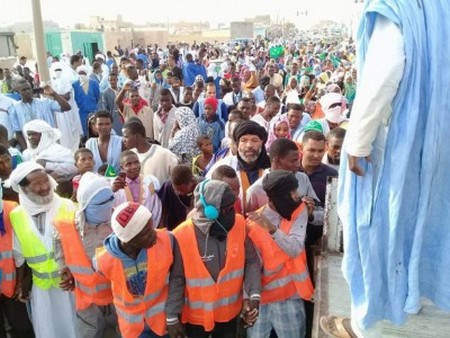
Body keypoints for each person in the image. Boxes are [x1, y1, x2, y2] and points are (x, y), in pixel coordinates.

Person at [321, 2, 450, 336]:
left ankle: (368, 324)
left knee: (378, 229)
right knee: (429, 223)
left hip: (399, 145)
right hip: (439, 139)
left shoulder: (392, 6)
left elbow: (386, 68)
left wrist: (359, 141)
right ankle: (413, 297)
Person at [167, 179, 261, 338]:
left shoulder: (238, 224)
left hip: (229, 315)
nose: (233, 211)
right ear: (210, 211)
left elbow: (251, 261)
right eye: (227, 209)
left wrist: (253, 295)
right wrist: (172, 317)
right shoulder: (180, 235)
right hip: (195, 320)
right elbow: (177, 278)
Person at [8, 162, 78, 338]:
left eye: (45, 181)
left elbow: (80, 246)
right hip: (41, 288)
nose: (44, 187)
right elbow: (19, 255)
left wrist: (74, 272)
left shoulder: (67, 206)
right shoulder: (16, 215)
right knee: (48, 330)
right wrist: (22, 284)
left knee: (76, 328)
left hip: (70, 283)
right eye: (36, 184)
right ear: (23, 189)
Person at [246, 170, 314, 338]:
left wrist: (271, 228)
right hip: (261, 299)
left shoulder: (300, 211)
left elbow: (295, 248)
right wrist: (248, 299)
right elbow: (250, 267)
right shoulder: (252, 225)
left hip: (290, 297)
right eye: (292, 192)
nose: (297, 196)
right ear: (275, 197)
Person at [54, 172, 119, 338]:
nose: (107, 205)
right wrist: (63, 268)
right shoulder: (68, 227)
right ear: (84, 204)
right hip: (88, 301)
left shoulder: (120, 222)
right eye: (100, 203)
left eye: (110, 199)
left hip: (119, 299)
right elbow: (58, 244)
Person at [95, 202, 173, 338]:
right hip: (134, 329)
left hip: (163, 323)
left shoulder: (167, 240)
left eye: (152, 228)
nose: (154, 234)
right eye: (146, 233)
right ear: (129, 239)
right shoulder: (103, 261)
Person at [207, 120, 271, 213]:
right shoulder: (224, 165)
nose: (249, 145)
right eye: (243, 140)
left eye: (254, 140)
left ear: (262, 143)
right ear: (237, 144)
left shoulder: (272, 166)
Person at [246, 138, 318, 214]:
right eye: (293, 161)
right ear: (277, 161)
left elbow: (320, 211)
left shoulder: (303, 178)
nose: (298, 165)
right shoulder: (256, 190)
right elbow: (249, 221)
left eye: (298, 160)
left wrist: (310, 214)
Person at [0, 184, 34, 338]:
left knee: (22, 326)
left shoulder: (12, 209)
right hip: (12, 283)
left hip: (13, 286)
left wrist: (22, 281)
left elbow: (22, 249)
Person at [9, 79, 72, 150]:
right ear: (18, 92)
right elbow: (18, 132)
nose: (28, 91)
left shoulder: (45, 102)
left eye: (29, 89)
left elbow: (67, 107)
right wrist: (26, 150)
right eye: (24, 90)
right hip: (31, 146)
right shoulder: (14, 108)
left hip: (50, 144)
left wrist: (54, 94)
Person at [112, 150, 162, 227]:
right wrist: (112, 191)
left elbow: (156, 208)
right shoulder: (116, 185)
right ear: (122, 168)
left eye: (136, 162)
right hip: (125, 230)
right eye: (128, 164)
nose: (134, 166)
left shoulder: (151, 182)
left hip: (148, 227)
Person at [122, 120, 178, 184]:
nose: (124, 140)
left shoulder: (164, 154)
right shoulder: (130, 155)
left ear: (136, 137)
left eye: (126, 137)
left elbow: (179, 177)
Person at [157, 164, 200, 231]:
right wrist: (162, 230)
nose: (179, 193)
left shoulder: (202, 189)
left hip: (194, 229)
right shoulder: (168, 186)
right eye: (176, 190)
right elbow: (163, 210)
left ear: (191, 182)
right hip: (173, 228)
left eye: (182, 190)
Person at [72, 65, 100, 138]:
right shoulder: (75, 85)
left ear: (86, 73)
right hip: (82, 112)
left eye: (83, 73)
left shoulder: (94, 83)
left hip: (93, 110)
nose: (81, 75)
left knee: (94, 128)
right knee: (84, 129)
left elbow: (97, 96)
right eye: (80, 73)